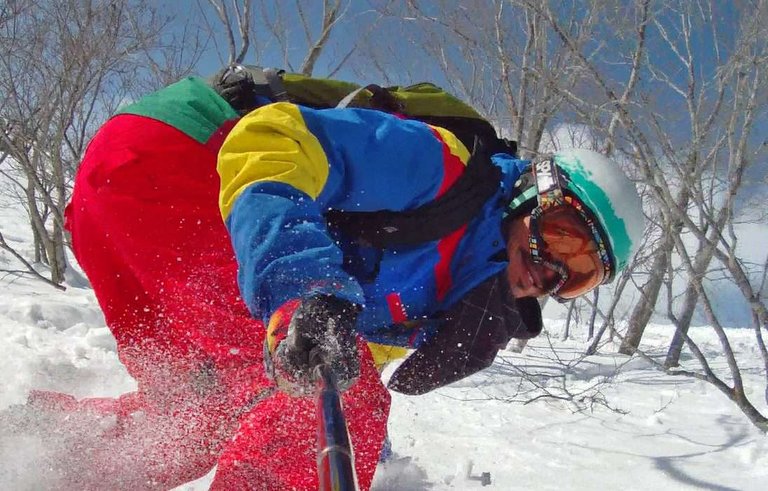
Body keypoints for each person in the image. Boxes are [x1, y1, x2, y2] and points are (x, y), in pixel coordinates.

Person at [2, 66, 644, 490]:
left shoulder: (448, 306)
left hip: (117, 211)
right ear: (535, 192)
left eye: (581, 276)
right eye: (565, 235)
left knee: (198, 412)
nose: (553, 270)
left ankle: (40, 453)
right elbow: (273, 140)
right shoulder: (447, 171)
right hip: (180, 162)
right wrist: (301, 285)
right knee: (325, 392)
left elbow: (349, 362)